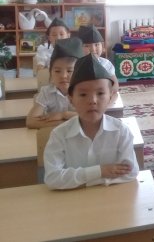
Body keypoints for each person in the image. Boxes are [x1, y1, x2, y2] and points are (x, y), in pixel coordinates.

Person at [44, 54, 139, 189]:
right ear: (71, 99)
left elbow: (130, 172)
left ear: (110, 96)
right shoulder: (59, 135)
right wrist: (100, 171)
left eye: (100, 93)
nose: (92, 101)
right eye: (83, 94)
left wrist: (84, 180)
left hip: (111, 198)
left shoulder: (121, 131)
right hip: (73, 200)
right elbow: (53, 178)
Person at [26, 38, 84, 129]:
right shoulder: (46, 92)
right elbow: (31, 121)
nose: (63, 76)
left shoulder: (86, 92)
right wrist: (67, 122)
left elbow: (92, 118)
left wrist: (64, 114)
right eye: (57, 71)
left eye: (70, 71)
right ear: (51, 73)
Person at [78, 25, 119, 95]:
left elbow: (115, 84)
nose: (93, 49)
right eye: (87, 46)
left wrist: (109, 94)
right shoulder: (77, 65)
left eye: (96, 45)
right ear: (79, 48)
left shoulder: (106, 64)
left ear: (102, 46)